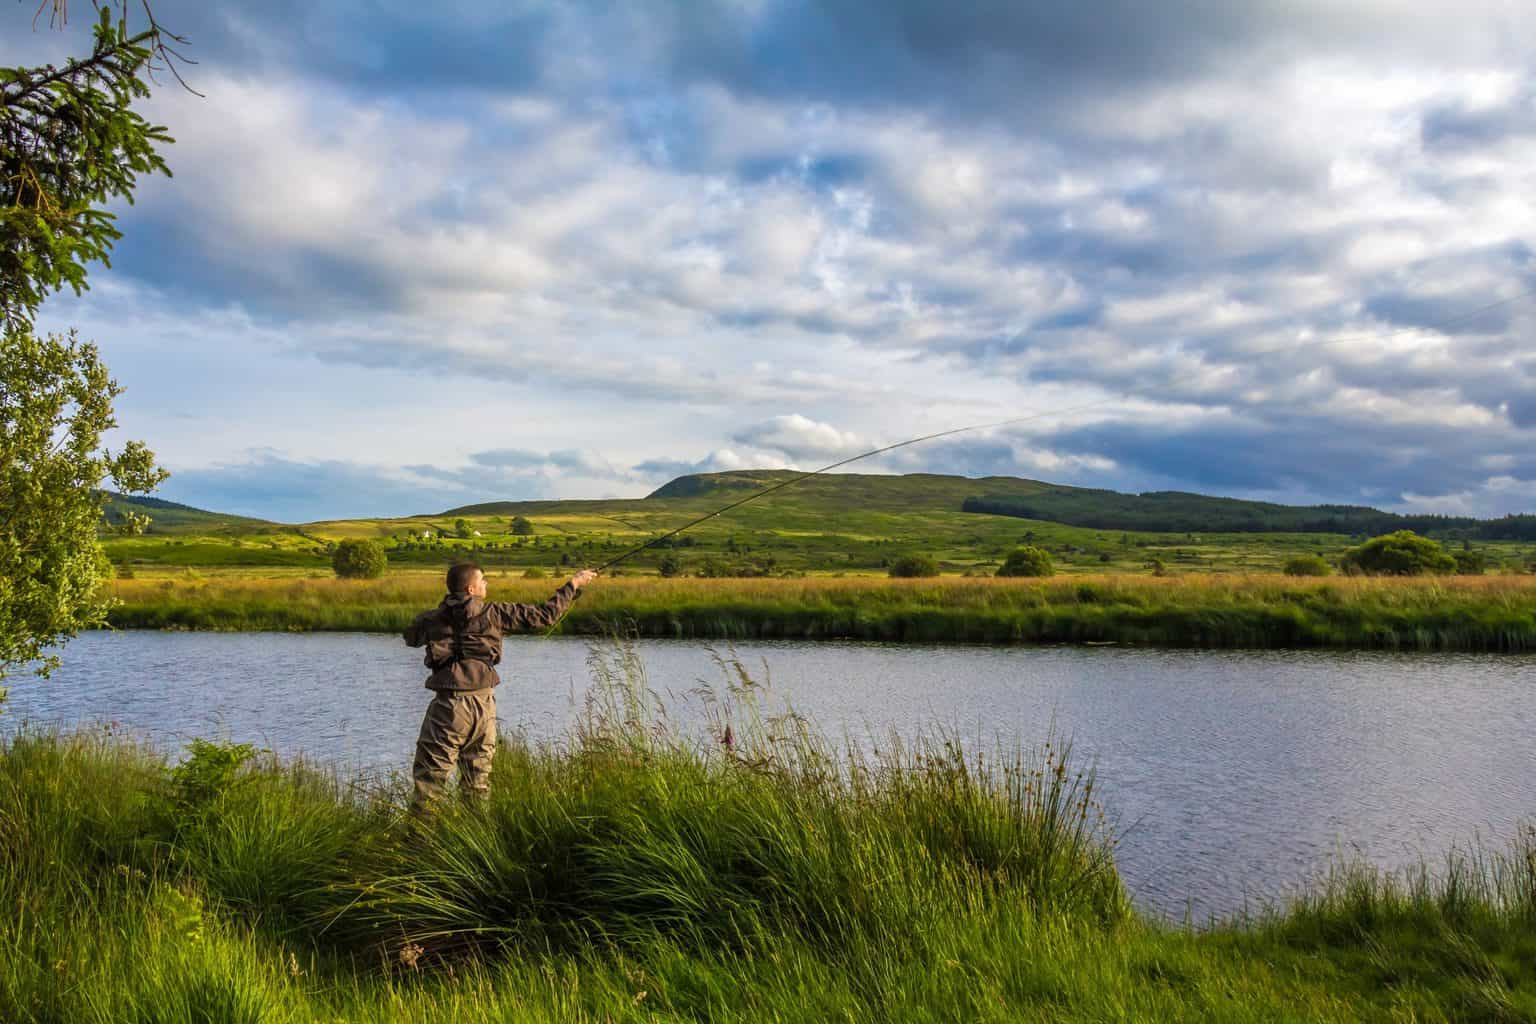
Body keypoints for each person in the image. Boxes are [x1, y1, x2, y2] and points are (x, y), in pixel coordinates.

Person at [403, 561, 597, 806]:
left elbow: (410, 637)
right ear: (471, 589)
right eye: (482, 580)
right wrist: (573, 584)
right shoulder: (496, 613)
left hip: (448, 708)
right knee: (477, 784)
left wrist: (438, 620)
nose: (486, 584)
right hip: (485, 708)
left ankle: (419, 842)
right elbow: (545, 615)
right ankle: (477, 839)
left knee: (430, 783)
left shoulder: (432, 619)